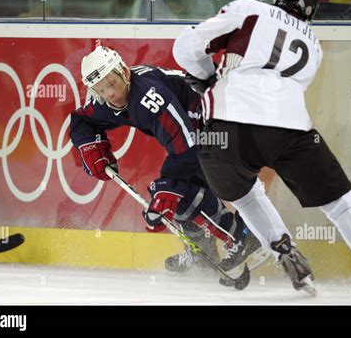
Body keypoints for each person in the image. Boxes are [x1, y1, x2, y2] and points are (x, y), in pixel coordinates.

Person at [173, 0, 351, 293]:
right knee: (339, 201)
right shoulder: (313, 43)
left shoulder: (249, 8)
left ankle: (284, 250)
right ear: (310, 10)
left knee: (245, 194)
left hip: (223, 128)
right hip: (290, 128)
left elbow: (185, 47)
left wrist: (206, 77)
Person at [69, 46, 266, 281]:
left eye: (112, 83)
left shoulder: (149, 96)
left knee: (173, 193)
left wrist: (168, 188)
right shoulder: (106, 101)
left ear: (123, 70)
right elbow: (81, 120)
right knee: (172, 193)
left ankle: (242, 236)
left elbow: (188, 147)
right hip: (203, 132)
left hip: (223, 127)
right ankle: (204, 249)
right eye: (101, 89)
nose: (110, 94)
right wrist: (90, 145)